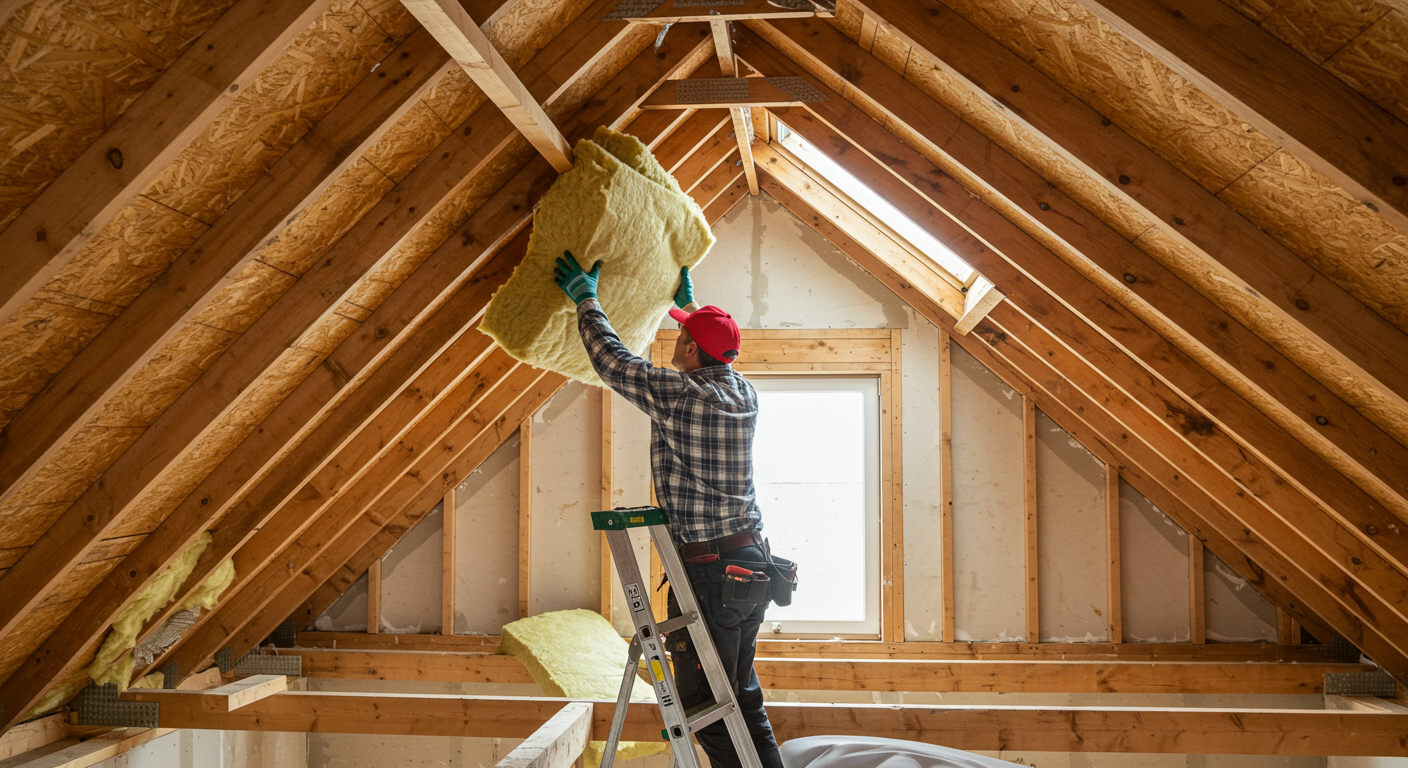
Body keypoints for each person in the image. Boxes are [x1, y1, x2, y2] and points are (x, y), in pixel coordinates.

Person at [553, 251, 784, 768]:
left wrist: (587, 299)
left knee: (707, 710)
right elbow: (716, 351)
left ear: (691, 349)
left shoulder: (680, 395)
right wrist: (695, 310)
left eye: (683, 335)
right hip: (752, 569)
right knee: (742, 700)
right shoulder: (743, 392)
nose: (676, 342)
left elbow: (613, 362)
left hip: (711, 577)